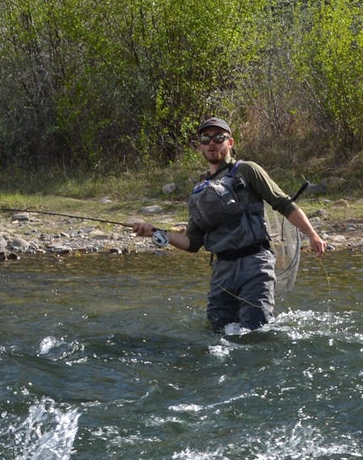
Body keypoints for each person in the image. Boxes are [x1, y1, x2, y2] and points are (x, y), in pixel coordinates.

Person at [130, 117, 326, 333]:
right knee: (217, 332)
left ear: (230, 142)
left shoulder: (248, 170)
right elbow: (192, 242)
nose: (211, 143)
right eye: (206, 138)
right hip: (222, 271)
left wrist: (312, 235)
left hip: (255, 264)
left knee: (256, 332)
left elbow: (283, 203)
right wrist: (156, 232)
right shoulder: (199, 191)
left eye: (218, 137)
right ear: (200, 145)